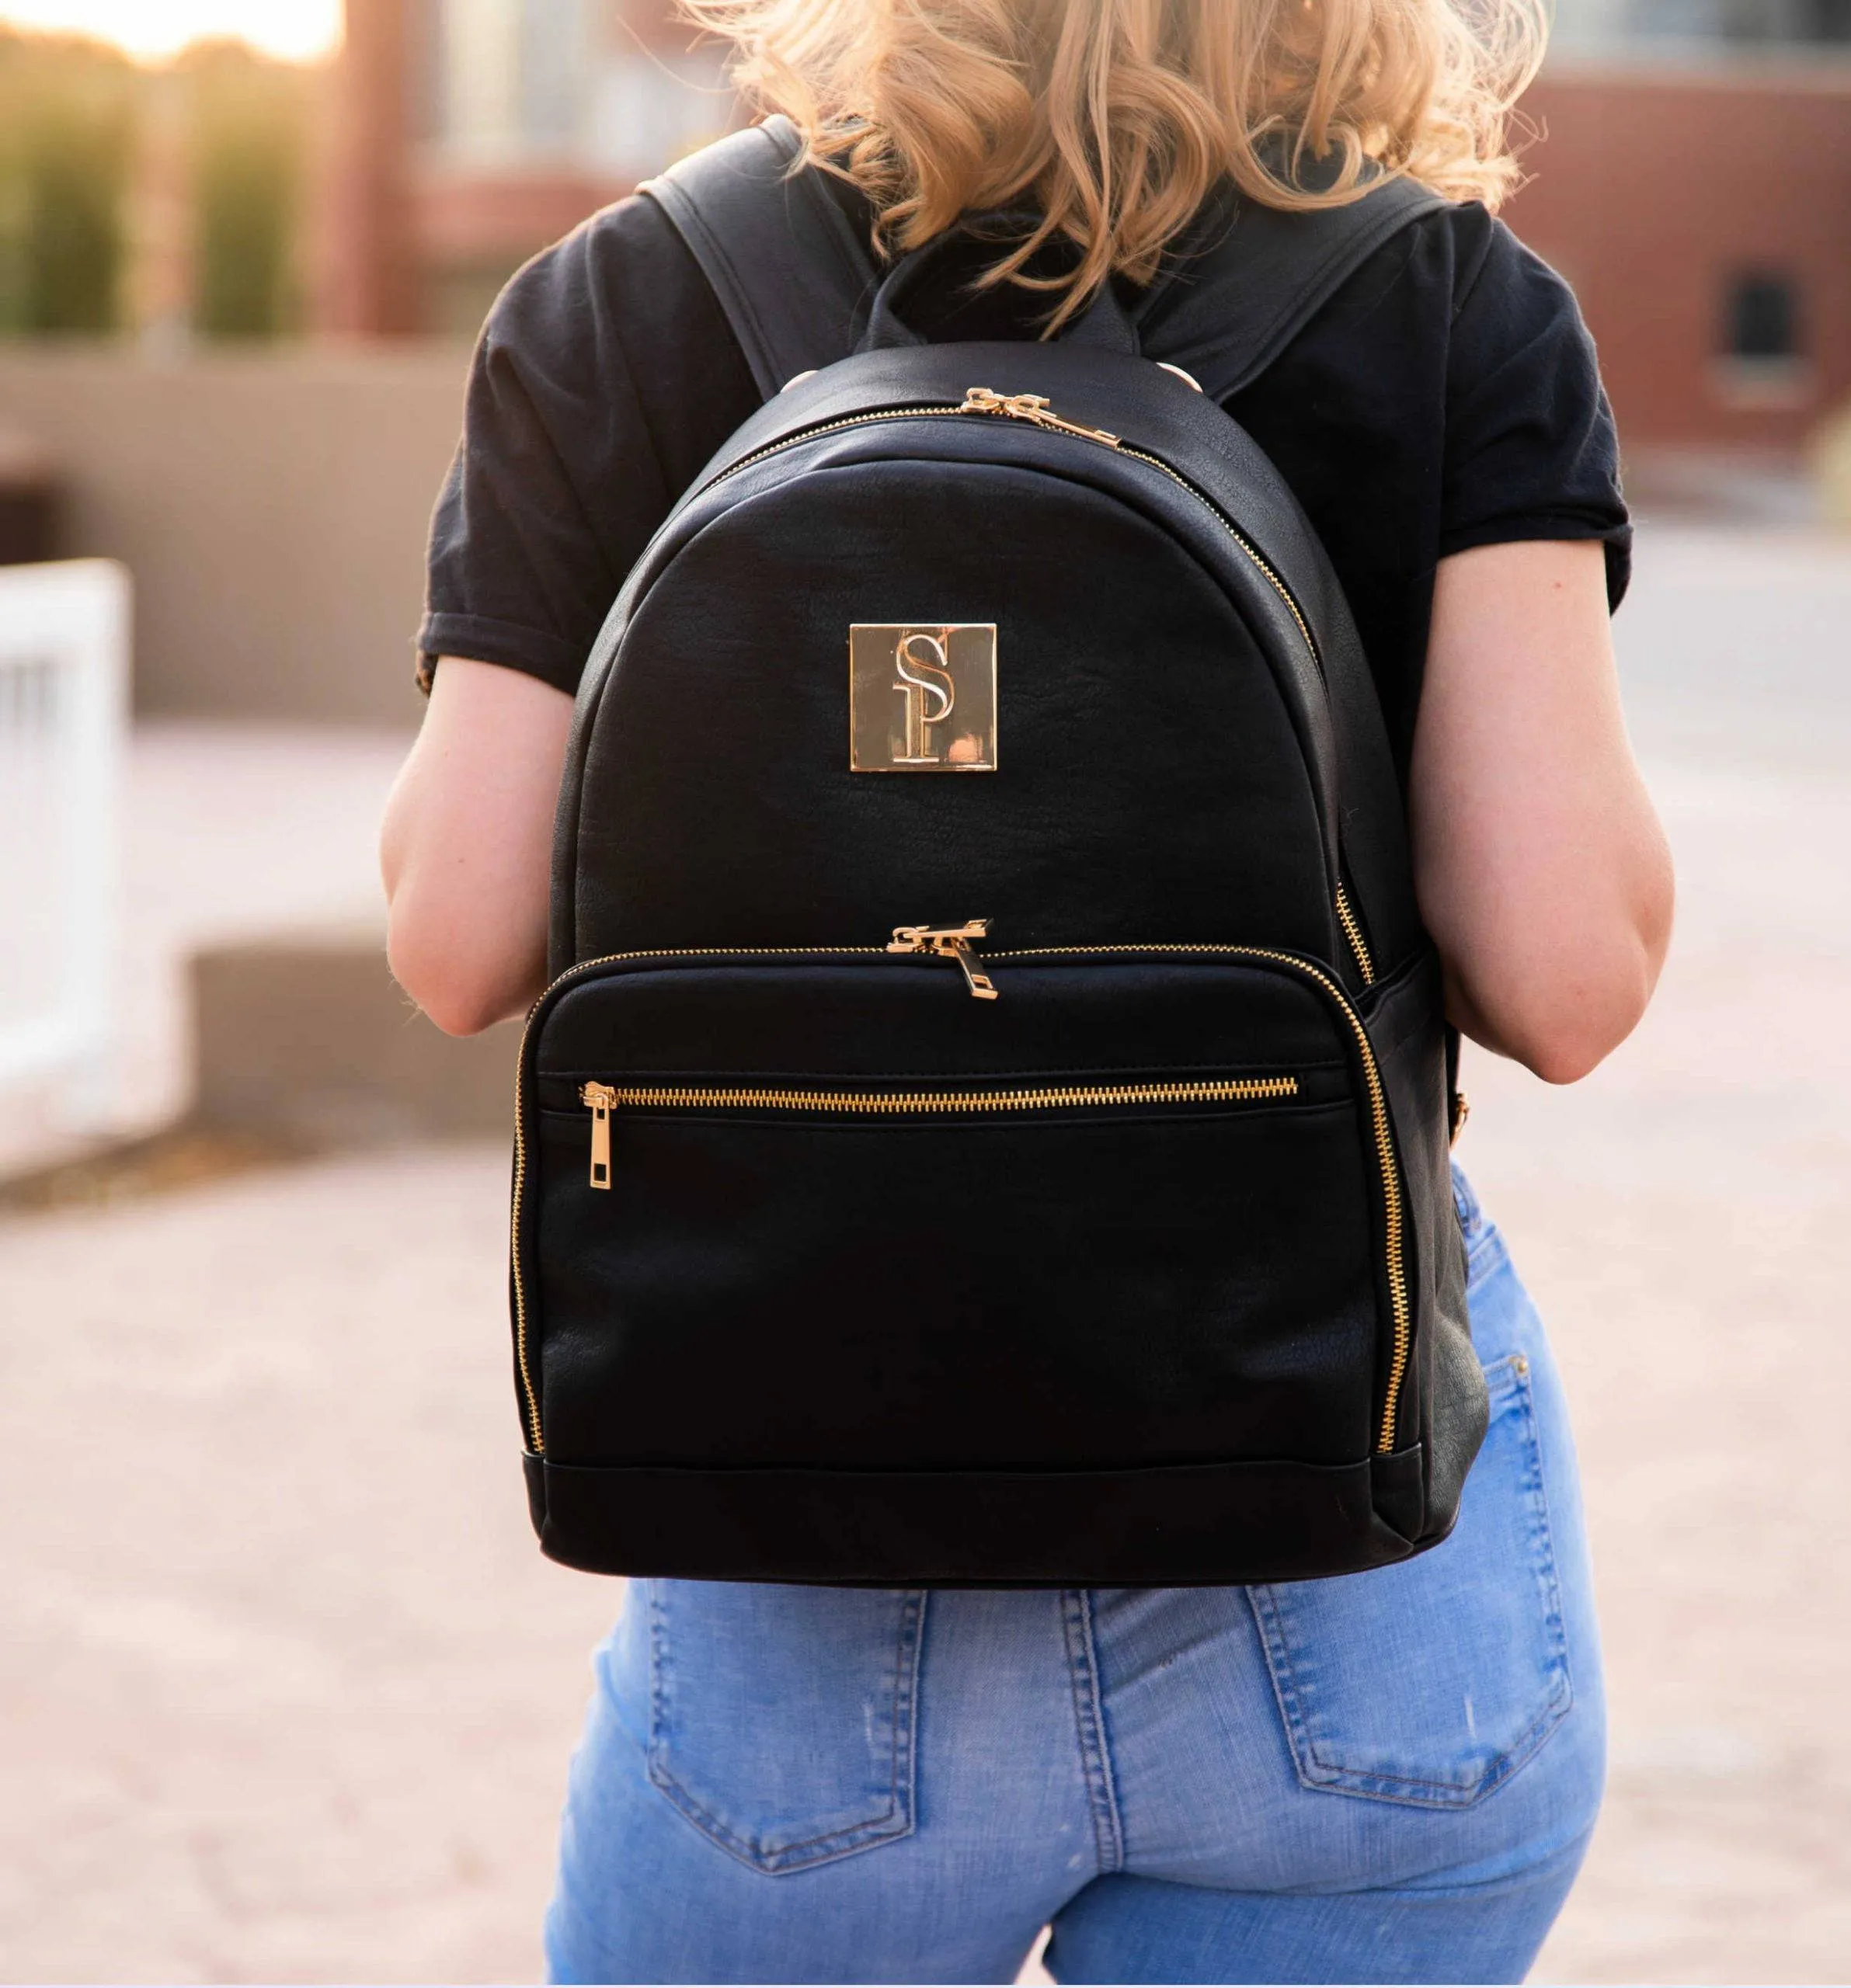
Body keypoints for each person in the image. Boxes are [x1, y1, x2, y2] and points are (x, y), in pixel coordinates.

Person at [380, 0, 1674, 1977]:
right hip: (1339, 1526)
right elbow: (1566, 976)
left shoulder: (625, 297)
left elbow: (457, 938)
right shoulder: (1446, 300)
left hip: (793, 1506)